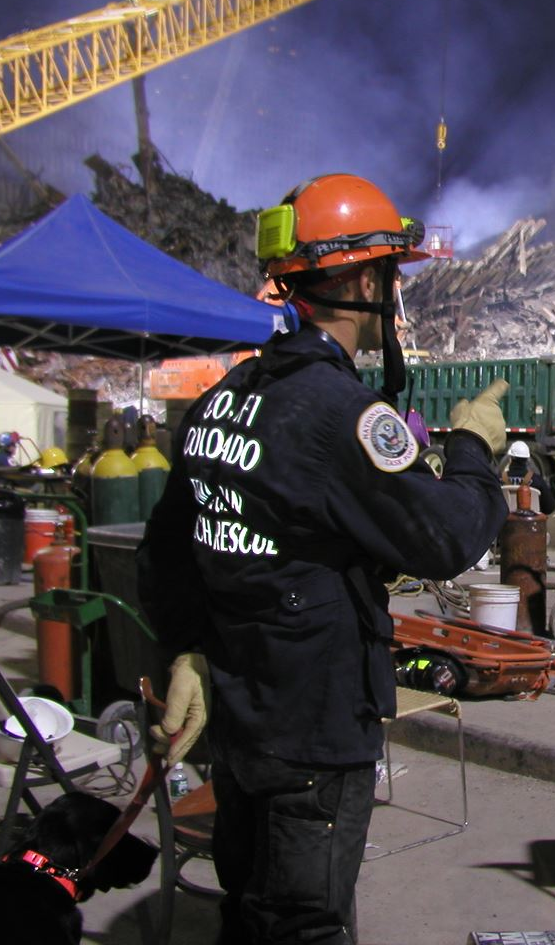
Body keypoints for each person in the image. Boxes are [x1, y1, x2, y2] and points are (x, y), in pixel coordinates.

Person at [135, 173, 509, 945]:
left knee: (248, 906)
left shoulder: (229, 396)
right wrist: (473, 446)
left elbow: (170, 549)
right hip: (311, 728)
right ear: (366, 278)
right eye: (391, 275)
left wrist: (188, 650)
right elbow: (445, 537)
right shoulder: (340, 412)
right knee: (305, 922)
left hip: (242, 720)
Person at [503, 440, 555, 515]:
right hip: (530, 525)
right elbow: (550, 508)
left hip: (504, 523)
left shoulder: (498, 479)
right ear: (527, 459)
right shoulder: (537, 480)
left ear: (510, 458)